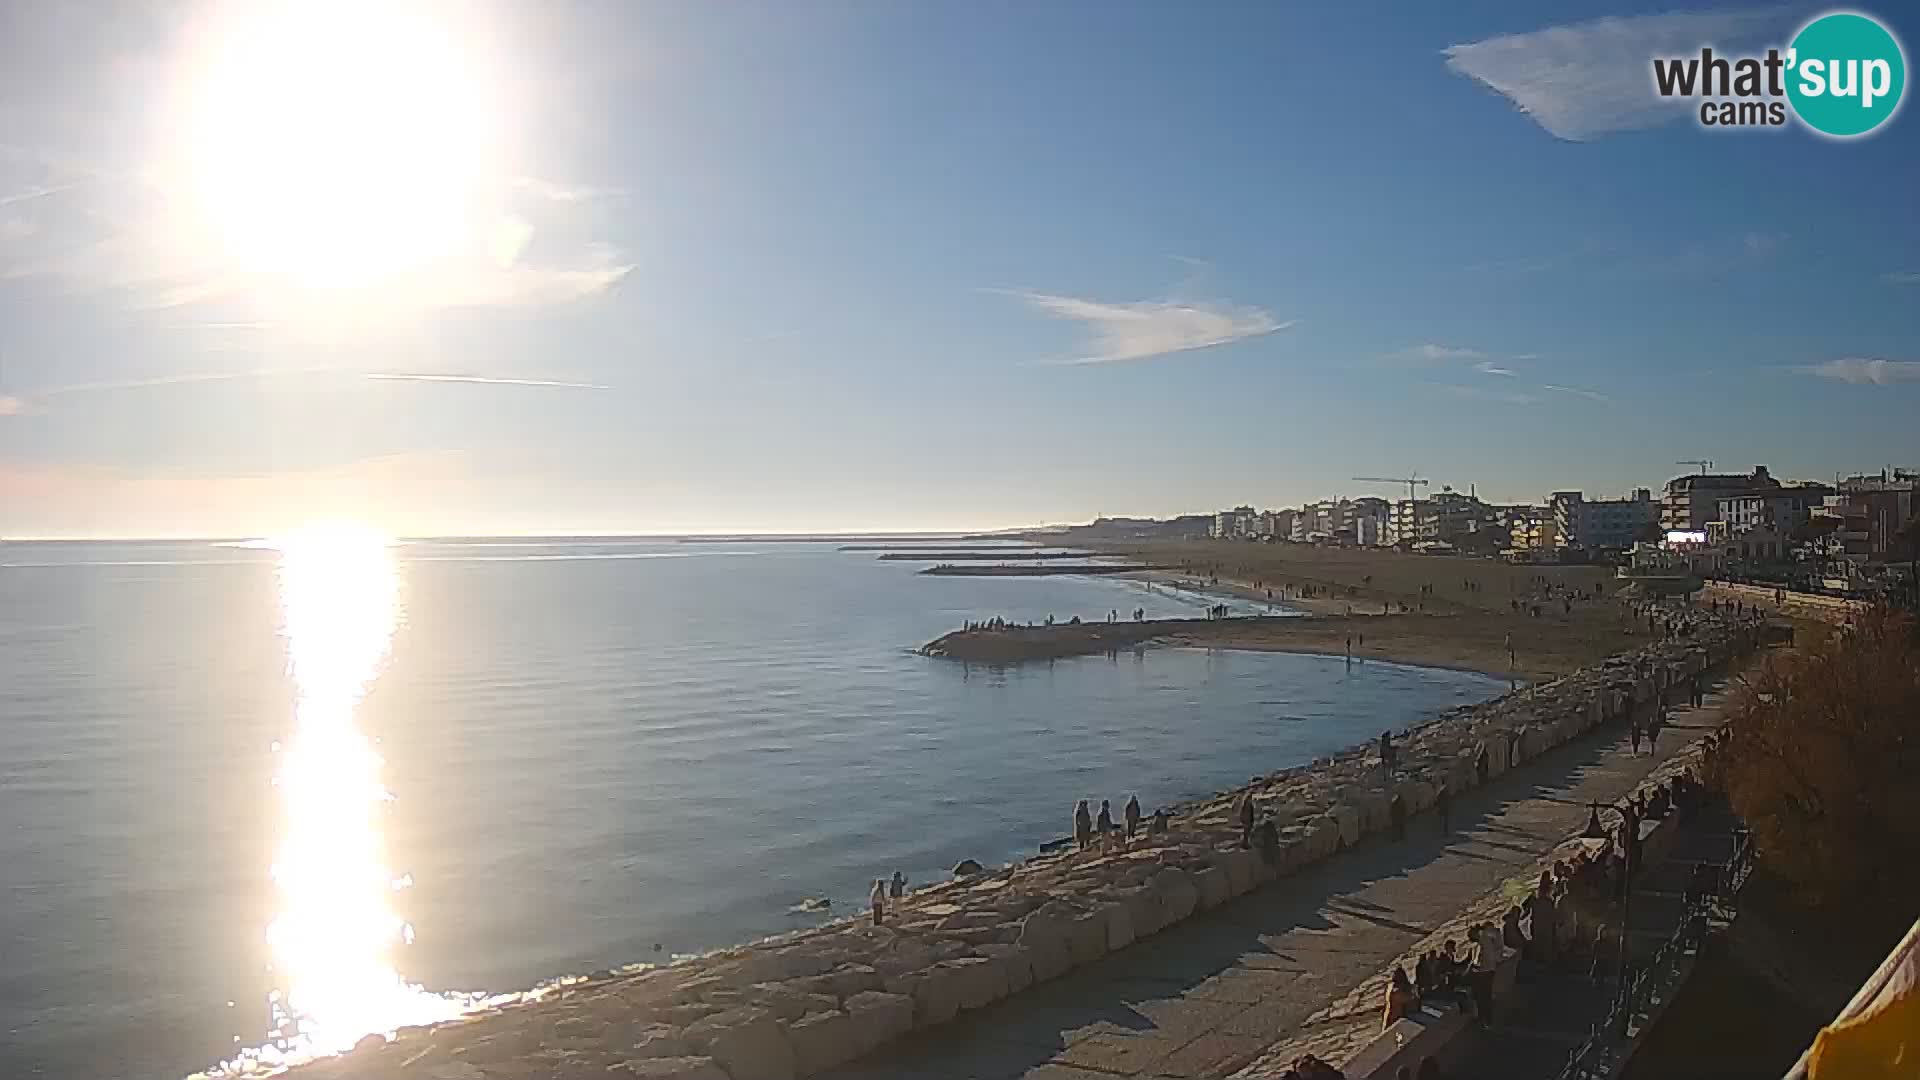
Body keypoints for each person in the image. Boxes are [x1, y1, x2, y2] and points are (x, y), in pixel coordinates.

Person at [1471, 919, 1502, 1024]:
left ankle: (1485, 1018)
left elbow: (1480, 960)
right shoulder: (1491, 938)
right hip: (1489, 970)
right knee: (1485, 996)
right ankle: (1485, 1018)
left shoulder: (1484, 939)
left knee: (1482, 996)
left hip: (1484, 972)